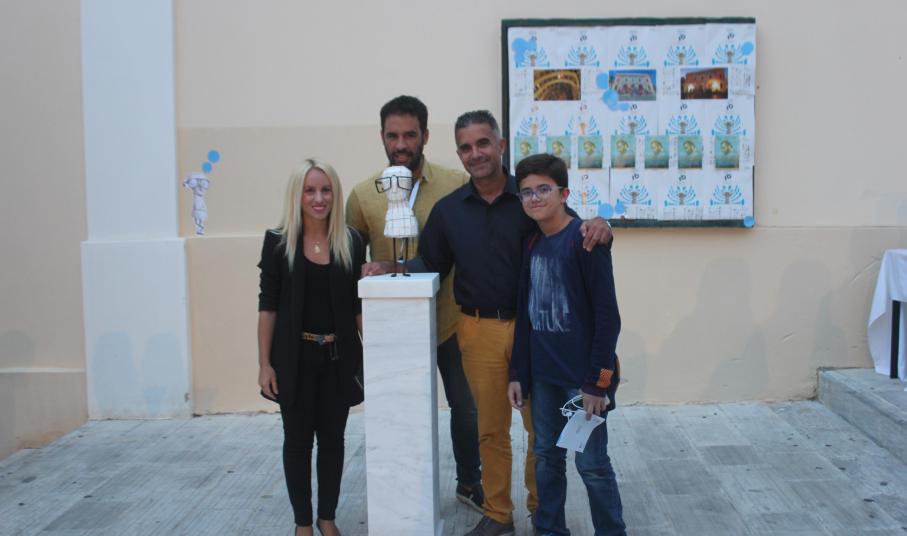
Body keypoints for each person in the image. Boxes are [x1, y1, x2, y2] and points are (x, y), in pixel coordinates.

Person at [366, 110, 613, 536]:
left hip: (535, 333)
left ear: (500, 145)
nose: (475, 153)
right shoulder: (449, 211)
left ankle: (542, 510)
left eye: (483, 143)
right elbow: (431, 263)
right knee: (491, 430)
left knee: (542, 433)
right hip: (477, 331)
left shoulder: (530, 197)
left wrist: (603, 223)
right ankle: (499, 513)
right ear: (459, 153)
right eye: (465, 147)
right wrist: (391, 265)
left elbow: (573, 228)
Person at [345, 95, 485, 512]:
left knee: (467, 409)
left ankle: (469, 481)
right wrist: (361, 320)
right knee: (400, 414)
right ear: (382, 137)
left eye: (410, 135)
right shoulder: (362, 195)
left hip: (452, 321)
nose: (401, 144)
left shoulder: (456, 184)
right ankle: (405, 495)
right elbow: (350, 266)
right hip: (393, 330)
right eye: (393, 136)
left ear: (425, 135)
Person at [507, 154, 625, 536]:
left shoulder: (585, 241)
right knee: (546, 458)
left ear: (564, 194)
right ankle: (549, 529)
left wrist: (598, 383)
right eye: (527, 192)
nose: (535, 198)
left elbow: (609, 319)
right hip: (544, 380)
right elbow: (525, 317)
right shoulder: (531, 244)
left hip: (583, 384)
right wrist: (518, 373)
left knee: (592, 465)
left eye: (544, 189)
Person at [258, 158, 366, 536]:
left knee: (333, 442)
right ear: (297, 195)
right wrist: (264, 364)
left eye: (326, 190)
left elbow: (357, 307)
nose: (319, 198)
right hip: (295, 360)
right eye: (310, 191)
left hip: (338, 359)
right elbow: (268, 306)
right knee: (298, 443)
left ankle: (327, 518)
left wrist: (380, 352)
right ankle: (303, 524)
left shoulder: (351, 241)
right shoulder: (278, 242)